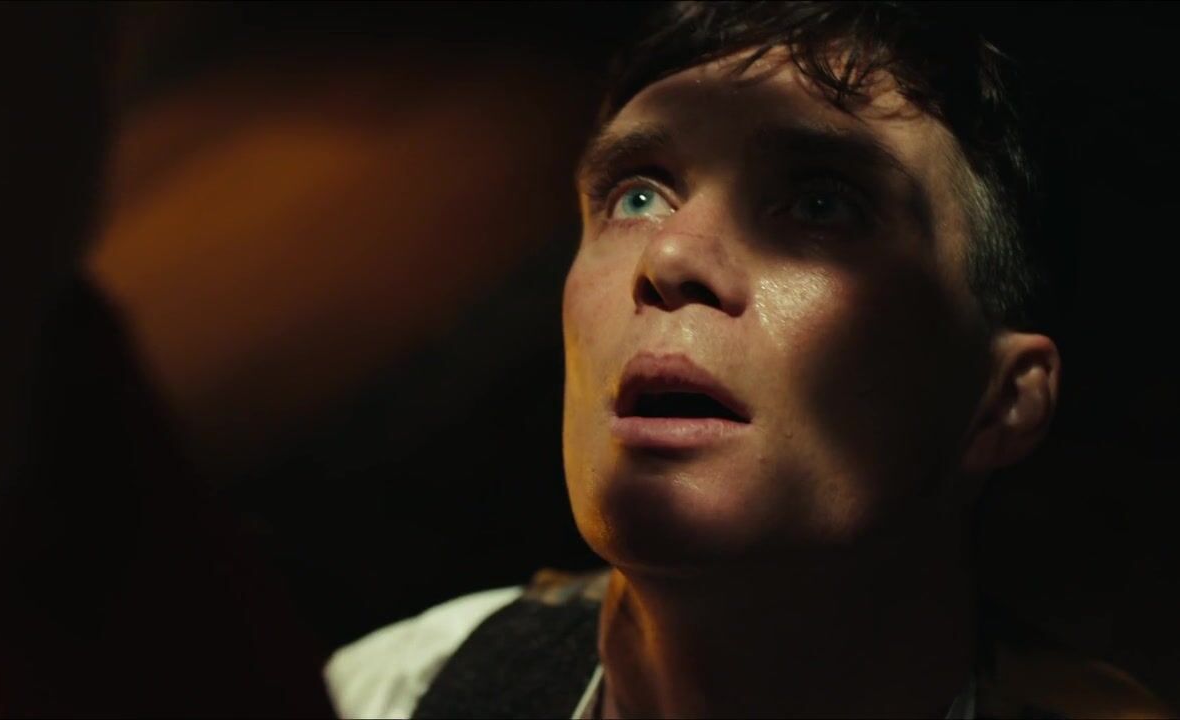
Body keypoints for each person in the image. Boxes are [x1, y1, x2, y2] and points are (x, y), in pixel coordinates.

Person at [324, 2, 1172, 718]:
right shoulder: (395, 691)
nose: (669, 256)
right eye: (637, 195)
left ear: (1000, 401)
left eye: (819, 203)